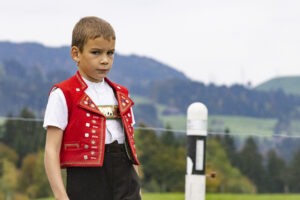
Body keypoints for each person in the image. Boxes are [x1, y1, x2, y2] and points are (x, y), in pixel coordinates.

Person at [43, 16, 141, 200]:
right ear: (76, 54)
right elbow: (51, 150)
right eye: (96, 52)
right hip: (86, 180)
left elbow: (129, 146)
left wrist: (137, 187)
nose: (105, 60)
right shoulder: (63, 94)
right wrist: (60, 196)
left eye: (110, 53)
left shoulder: (122, 94)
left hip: (125, 176)